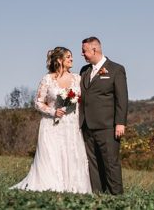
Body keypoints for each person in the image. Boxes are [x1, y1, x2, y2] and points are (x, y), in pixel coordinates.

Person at [10, 47, 92, 194]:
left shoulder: (77, 79)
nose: (71, 59)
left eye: (71, 57)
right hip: (51, 125)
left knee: (72, 156)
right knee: (52, 156)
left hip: (72, 125)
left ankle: (73, 188)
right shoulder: (47, 79)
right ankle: (52, 186)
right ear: (59, 60)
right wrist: (53, 111)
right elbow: (38, 102)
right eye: (68, 57)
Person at [79, 36, 128, 195]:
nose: (82, 54)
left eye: (84, 51)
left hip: (107, 126)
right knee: (92, 163)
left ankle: (116, 196)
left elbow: (122, 98)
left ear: (94, 50)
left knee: (110, 163)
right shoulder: (84, 71)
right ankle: (98, 195)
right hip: (87, 126)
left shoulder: (116, 69)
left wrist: (120, 122)